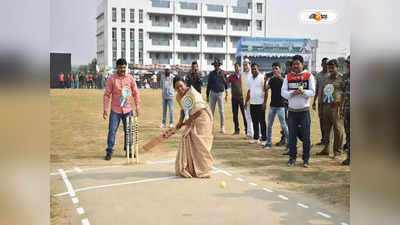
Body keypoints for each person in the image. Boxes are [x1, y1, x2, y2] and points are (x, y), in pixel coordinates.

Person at [164, 76, 214, 178]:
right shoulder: (178, 96)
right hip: (192, 118)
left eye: (181, 86)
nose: (180, 89)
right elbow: (183, 110)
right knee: (187, 139)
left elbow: (200, 111)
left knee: (201, 145)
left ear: (185, 84)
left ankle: (204, 170)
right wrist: (180, 122)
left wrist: (189, 120)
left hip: (203, 119)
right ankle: (190, 169)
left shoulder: (193, 93)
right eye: (177, 88)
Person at [103, 58, 140, 161]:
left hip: (128, 109)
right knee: (112, 130)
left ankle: (128, 150)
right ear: (117, 68)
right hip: (115, 110)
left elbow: (135, 93)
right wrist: (105, 109)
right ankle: (109, 151)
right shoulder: (112, 79)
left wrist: (137, 106)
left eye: (124, 67)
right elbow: (106, 95)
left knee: (128, 131)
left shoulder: (130, 78)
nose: (123, 69)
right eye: (120, 67)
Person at [281, 55, 315, 168]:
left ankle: (306, 159)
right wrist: (292, 94)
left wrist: (303, 92)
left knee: (306, 137)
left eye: (297, 64)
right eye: (294, 64)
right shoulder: (288, 77)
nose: (295, 66)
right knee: (292, 136)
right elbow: (283, 92)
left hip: (304, 111)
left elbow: (312, 91)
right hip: (292, 112)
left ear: (302, 64)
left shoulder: (309, 75)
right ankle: (292, 158)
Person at [317, 59, 345, 159]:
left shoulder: (342, 79)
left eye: (332, 68)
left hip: (336, 107)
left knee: (338, 130)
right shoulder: (326, 79)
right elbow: (322, 92)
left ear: (337, 68)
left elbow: (345, 94)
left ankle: (338, 152)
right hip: (326, 107)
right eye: (329, 68)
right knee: (326, 130)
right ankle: (326, 149)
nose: (330, 69)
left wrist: (342, 106)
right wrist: (321, 106)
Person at [263, 63, 289, 149]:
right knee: (269, 124)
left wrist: (279, 77)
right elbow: (265, 88)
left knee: (284, 125)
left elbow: (287, 85)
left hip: (281, 106)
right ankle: (269, 142)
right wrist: (265, 80)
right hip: (272, 105)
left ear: (280, 69)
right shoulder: (272, 80)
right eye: (273, 69)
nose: (275, 70)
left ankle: (289, 143)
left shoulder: (284, 79)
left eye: (276, 68)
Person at [245, 63, 267, 145]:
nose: (254, 70)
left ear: (258, 69)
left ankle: (264, 139)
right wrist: (246, 102)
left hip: (260, 103)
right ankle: (256, 138)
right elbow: (249, 91)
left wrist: (264, 103)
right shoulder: (250, 79)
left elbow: (266, 91)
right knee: (254, 121)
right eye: (253, 69)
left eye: (255, 69)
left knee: (262, 121)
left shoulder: (262, 78)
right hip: (252, 103)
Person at [206, 58, 228, 134]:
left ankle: (222, 127)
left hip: (220, 93)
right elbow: (208, 84)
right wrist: (207, 95)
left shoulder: (223, 73)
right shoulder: (211, 73)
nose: (216, 66)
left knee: (221, 111)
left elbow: (226, 84)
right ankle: (210, 127)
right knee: (211, 111)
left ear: (219, 65)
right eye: (215, 65)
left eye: (217, 65)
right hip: (212, 93)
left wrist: (227, 94)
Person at [226, 63, 247, 135]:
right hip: (234, 98)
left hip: (242, 98)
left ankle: (247, 129)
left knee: (244, 114)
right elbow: (226, 81)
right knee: (235, 115)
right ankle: (236, 130)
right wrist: (224, 74)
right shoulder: (232, 76)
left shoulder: (243, 76)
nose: (236, 68)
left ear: (240, 68)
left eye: (238, 67)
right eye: (235, 67)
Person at [312, 58, 330, 146]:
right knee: (322, 121)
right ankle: (323, 139)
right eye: (324, 64)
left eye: (328, 64)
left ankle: (328, 140)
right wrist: (314, 101)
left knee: (329, 121)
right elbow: (317, 88)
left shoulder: (331, 75)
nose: (326, 65)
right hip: (320, 102)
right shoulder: (318, 75)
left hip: (329, 102)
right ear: (321, 64)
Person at [276, 60, 292, 146]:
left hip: (292, 103)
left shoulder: (292, 76)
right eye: (286, 66)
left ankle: (290, 140)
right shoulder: (285, 75)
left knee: (290, 122)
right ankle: (284, 138)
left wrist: (280, 77)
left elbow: (288, 83)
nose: (287, 68)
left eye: (288, 66)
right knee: (283, 122)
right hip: (284, 103)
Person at [342, 57, 350, 165]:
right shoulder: (346, 76)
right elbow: (343, 93)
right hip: (348, 108)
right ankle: (350, 157)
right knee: (348, 133)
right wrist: (342, 108)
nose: (348, 65)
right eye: (348, 63)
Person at [243, 58, 254, 139]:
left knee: (255, 117)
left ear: (250, 64)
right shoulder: (244, 74)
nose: (245, 66)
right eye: (244, 65)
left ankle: (258, 134)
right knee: (248, 116)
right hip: (245, 98)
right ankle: (250, 133)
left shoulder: (252, 74)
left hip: (252, 98)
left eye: (246, 64)